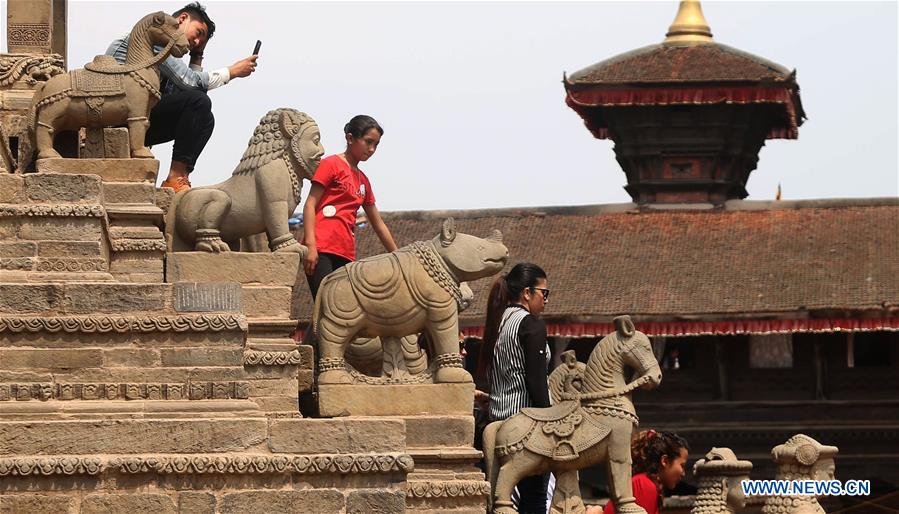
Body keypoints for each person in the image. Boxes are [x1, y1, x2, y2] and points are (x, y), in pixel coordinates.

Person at [106, 2, 259, 192]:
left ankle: (179, 176)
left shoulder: (166, 59)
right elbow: (190, 82)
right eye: (198, 33)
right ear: (183, 19)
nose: (196, 42)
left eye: (200, 42)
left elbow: (184, 94)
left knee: (205, 117)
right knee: (199, 101)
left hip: (138, 116)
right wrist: (232, 71)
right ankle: (175, 176)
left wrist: (197, 54)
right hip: (116, 114)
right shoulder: (152, 37)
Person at [476, 262, 552, 514]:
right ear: (527, 293)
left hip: (497, 422)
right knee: (535, 497)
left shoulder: (498, 323)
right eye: (544, 293)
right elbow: (536, 381)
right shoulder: (531, 324)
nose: (546, 300)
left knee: (502, 501)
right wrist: (550, 420)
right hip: (526, 424)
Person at [302, 115, 398, 298]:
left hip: (345, 252)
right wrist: (311, 246)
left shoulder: (364, 181)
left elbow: (378, 224)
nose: (371, 149)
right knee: (327, 305)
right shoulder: (331, 164)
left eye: (376, 145)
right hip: (321, 247)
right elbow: (310, 204)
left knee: (342, 310)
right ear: (350, 138)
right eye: (368, 142)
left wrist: (400, 257)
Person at [597, 429, 689, 514]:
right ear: (665, 461)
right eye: (682, 466)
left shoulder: (645, 483)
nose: (683, 473)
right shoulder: (644, 486)